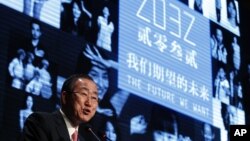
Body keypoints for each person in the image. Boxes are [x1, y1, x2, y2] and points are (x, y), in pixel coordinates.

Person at [20, 74, 99, 141]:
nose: (89, 103)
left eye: (94, 98)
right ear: (65, 97)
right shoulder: (41, 122)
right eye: (84, 94)